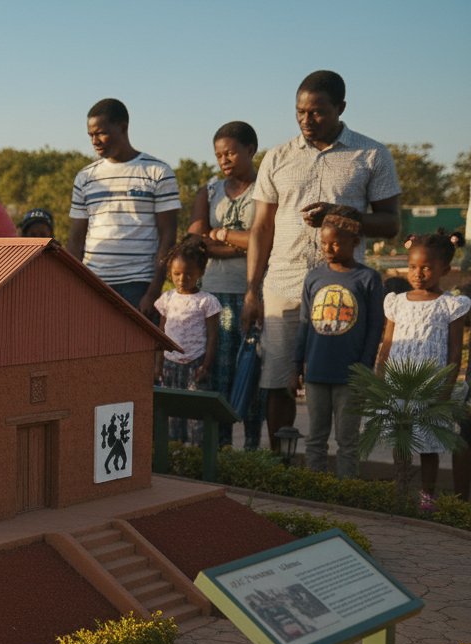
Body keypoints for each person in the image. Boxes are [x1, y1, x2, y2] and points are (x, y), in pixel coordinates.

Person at [243, 70, 401, 450]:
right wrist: (252, 291)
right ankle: (281, 465)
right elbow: (262, 228)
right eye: (300, 112)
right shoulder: (277, 157)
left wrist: (343, 213)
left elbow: (390, 223)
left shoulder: (371, 154)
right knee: (278, 379)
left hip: (341, 289)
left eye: (317, 113)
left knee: (338, 381)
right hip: (283, 283)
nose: (306, 121)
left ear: (340, 108)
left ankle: (332, 464)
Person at [374, 230, 469, 496]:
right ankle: (401, 488)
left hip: (431, 389)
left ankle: (428, 497)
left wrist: (445, 391)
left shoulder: (451, 305)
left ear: (445, 269)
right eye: (413, 267)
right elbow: (387, 344)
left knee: (429, 445)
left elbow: (454, 353)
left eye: (426, 268)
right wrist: (379, 380)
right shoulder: (397, 302)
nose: (418, 273)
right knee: (401, 440)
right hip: (398, 385)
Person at [188, 121, 263, 448]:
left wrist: (220, 236)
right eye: (219, 155)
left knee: (250, 374)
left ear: (251, 149)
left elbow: (267, 240)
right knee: (216, 373)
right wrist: (242, 243)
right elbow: (195, 243)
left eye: (231, 152)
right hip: (214, 295)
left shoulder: (266, 190)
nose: (224, 160)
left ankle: (250, 450)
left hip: (252, 294)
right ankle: (217, 450)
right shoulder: (209, 190)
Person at [294, 207, 385, 477]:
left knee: (347, 441)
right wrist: (296, 365)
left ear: (354, 242)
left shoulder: (368, 279)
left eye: (335, 242)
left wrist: (365, 367)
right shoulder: (314, 278)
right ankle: (315, 489)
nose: (328, 248)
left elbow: (375, 326)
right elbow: (303, 325)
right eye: (323, 243)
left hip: (350, 377)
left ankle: (346, 492)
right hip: (317, 374)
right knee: (315, 438)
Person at [68, 98, 179, 315]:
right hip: (94, 282)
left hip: (139, 284)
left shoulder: (158, 172)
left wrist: (153, 290)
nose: (95, 141)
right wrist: (72, 286)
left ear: (123, 127)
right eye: (91, 135)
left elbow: (168, 235)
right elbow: (75, 239)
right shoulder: (85, 177)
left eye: (100, 133)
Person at [154, 237, 221, 444]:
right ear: (170, 273)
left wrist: (206, 365)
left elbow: (212, 337)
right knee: (172, 414)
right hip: (170, 365)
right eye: (177, 274)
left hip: (196, 365)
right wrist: (158, 364)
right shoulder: (167, 299)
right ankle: (173, 454)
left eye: (189, 274)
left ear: (200, 272)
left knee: (196, 416)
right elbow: (160, 333)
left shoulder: (207, 301)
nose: (182, 279)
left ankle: (196, 455)